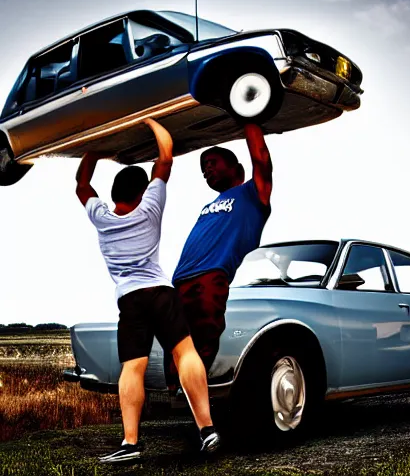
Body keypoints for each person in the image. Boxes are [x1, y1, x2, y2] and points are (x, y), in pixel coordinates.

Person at [75, 118, 220, 463]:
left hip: (131, 301)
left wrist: (96, 146)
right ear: (142, 193)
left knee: (133, 368)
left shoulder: (101, 217)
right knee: (185, 353)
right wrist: (148, 119)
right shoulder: (151, 208)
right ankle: (207, 429)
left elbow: (81, 184)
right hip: (161, 293)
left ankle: (130, 443)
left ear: (114, 196)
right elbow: (165, 158)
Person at [166, 123, 272, 389]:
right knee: (177, 346)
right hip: (180, 281)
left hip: (210, 278)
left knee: (202, 339)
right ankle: (179, 397)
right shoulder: (209, 205)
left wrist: (248, 117)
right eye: (203, 169)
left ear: (237, 168)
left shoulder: (252, 193)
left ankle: (197, 407)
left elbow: (261, 158)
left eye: (212, 163)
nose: (207, 170)